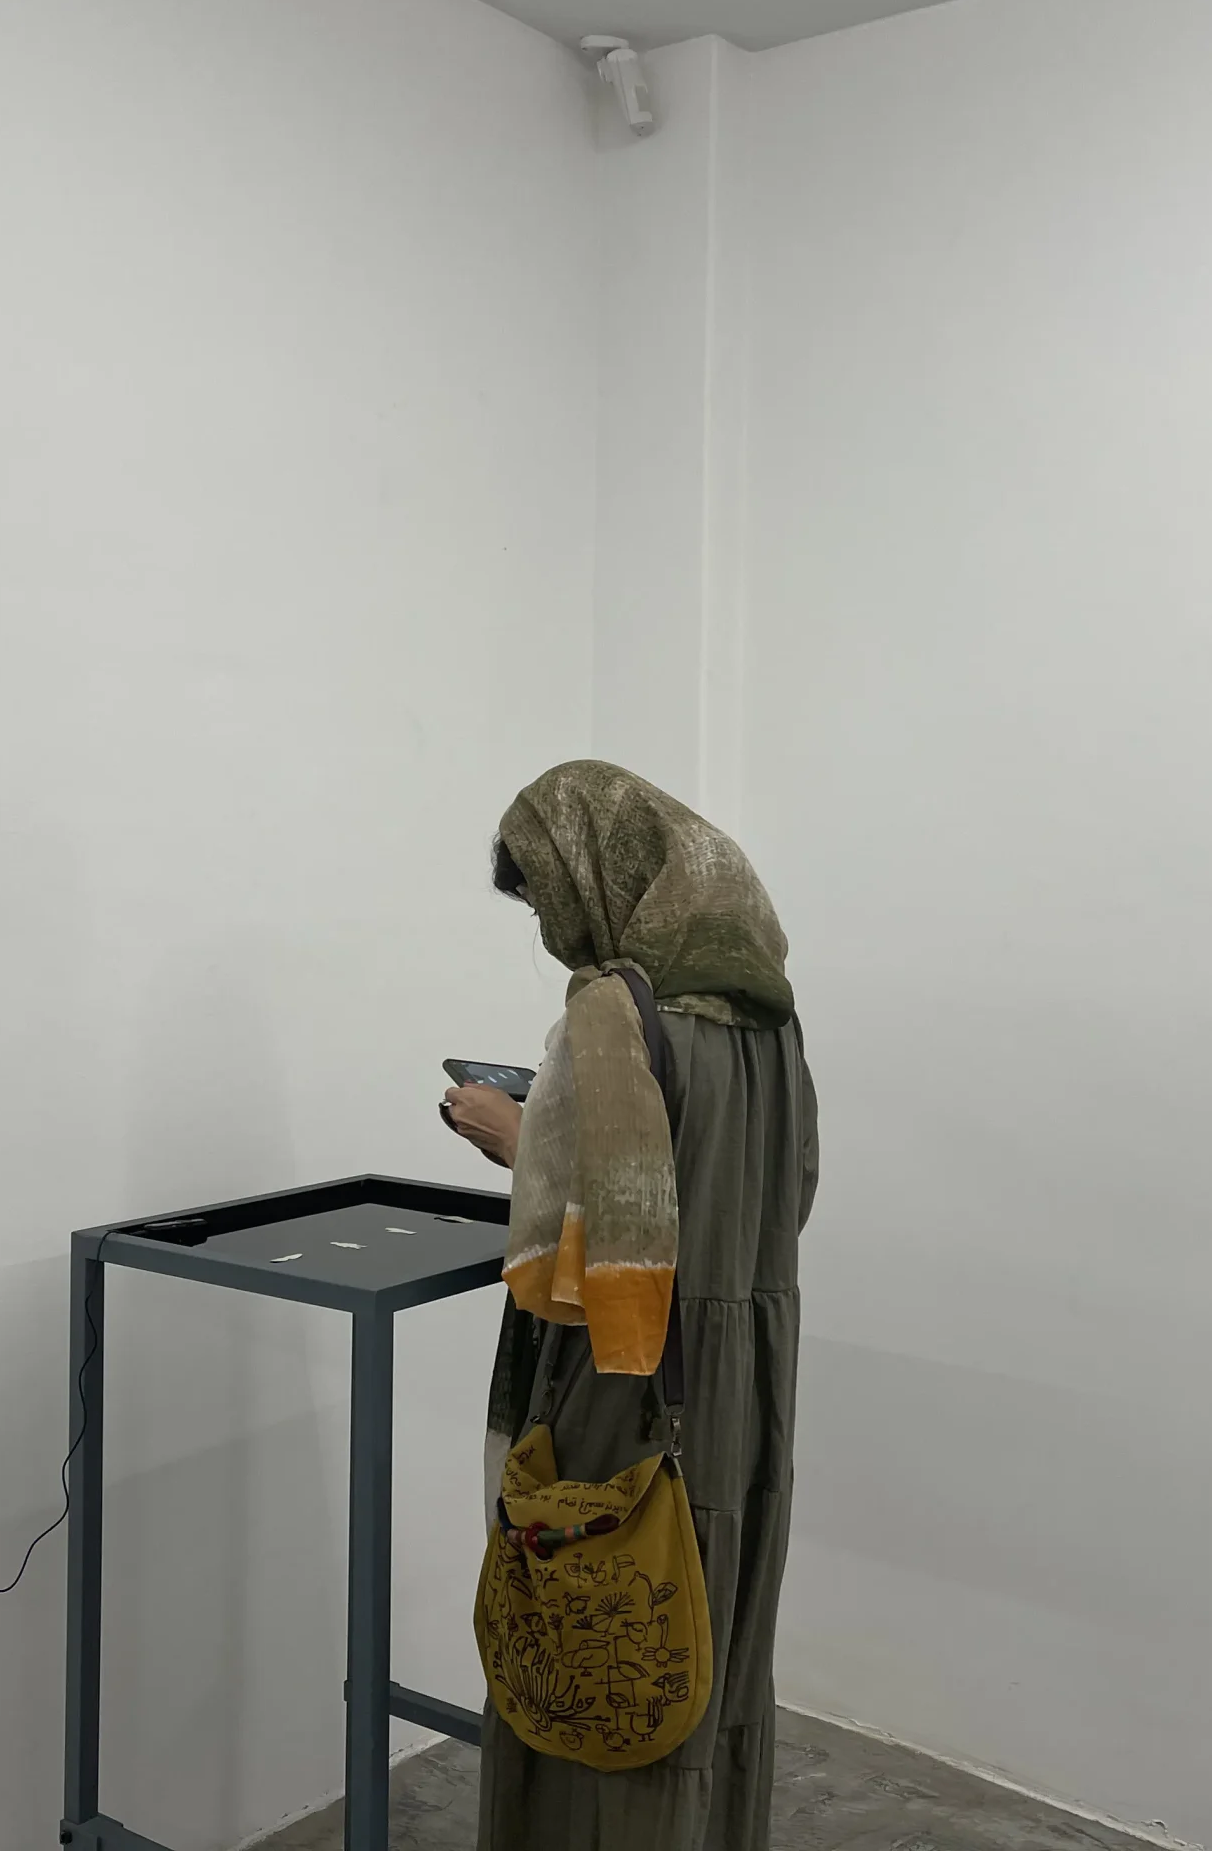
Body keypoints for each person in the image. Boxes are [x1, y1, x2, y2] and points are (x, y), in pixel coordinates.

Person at [442, 760, 819, 1851]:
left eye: (545, 901)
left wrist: (512, 1135)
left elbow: (602, 1239)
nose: (551, 929)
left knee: (593, 1624)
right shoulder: (770, 1019)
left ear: (597, 878)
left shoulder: (610, 1011)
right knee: (708, 1627)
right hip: (742, 1378)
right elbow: (791, 1192)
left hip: (625, 1369)